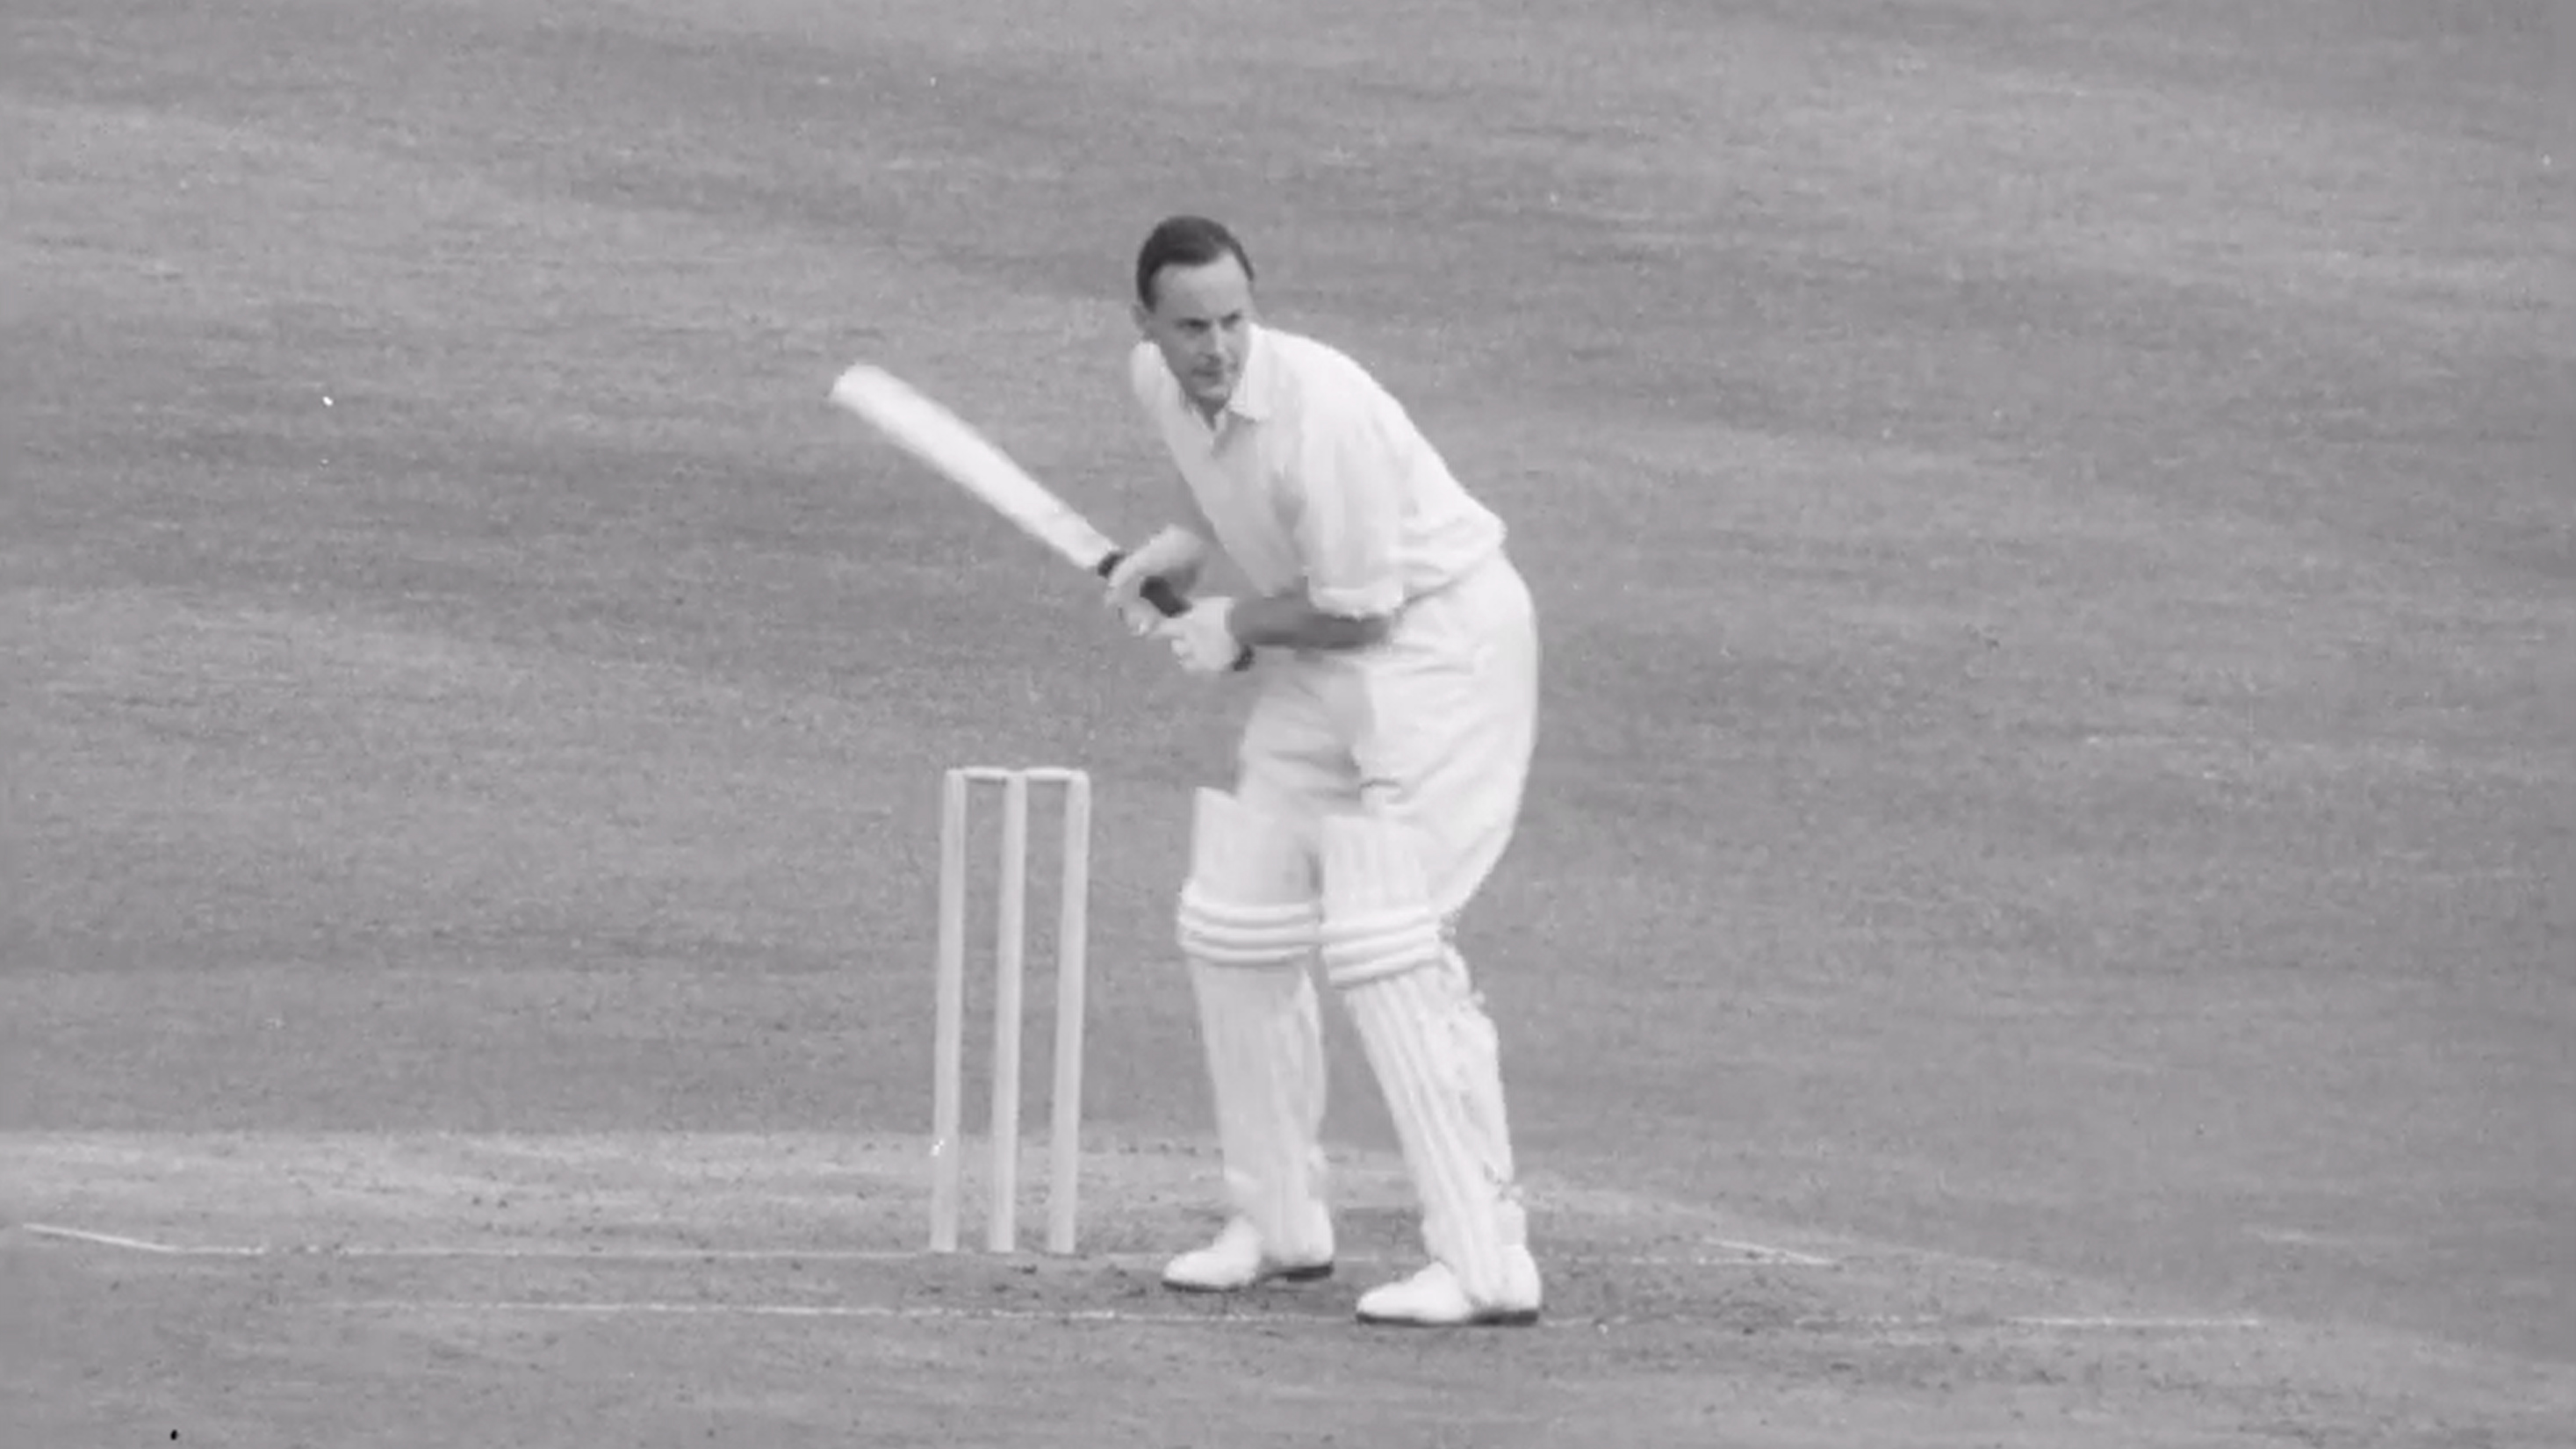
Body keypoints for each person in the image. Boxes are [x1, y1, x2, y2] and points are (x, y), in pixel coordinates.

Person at [1101, 214, 1543, 1327]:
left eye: (1234, 320)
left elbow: (1363, 611)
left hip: (1440, 651)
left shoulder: (1324, 410)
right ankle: (1278, 1222)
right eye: (1191, 327)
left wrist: (1233, 625)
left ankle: (1487, 1261)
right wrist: (1186, 548)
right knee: (1236, 911)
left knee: (1392, 941)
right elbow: (1230, 484)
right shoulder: (1158, 385)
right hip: (1330, 651)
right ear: (1146, 325)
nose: (1217, 347)